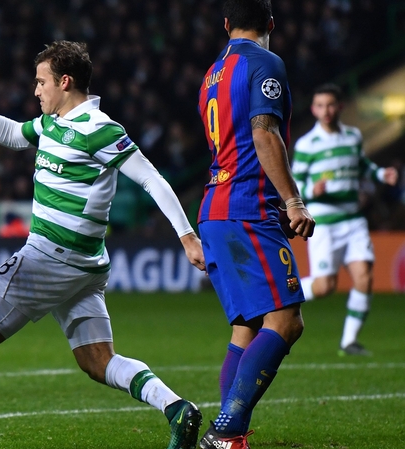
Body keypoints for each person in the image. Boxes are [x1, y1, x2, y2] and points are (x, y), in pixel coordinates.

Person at [0, 40, 207, 449]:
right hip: (85, 266)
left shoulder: (99, 129)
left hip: (50, 257)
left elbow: (151, 178)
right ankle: (177, 408)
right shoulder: (53, 123)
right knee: (98, 360)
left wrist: (187, 236)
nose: (36, 90)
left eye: (42, 82)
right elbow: (13, 134)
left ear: (65, 82)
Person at [196, 1, 316, 448]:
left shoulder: (211, 74)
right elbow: (264, 133)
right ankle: (226, 429)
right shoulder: (265, 63)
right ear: (270, 23)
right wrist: (293, 201)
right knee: (286, 320)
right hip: (246, 208)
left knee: (246, 327)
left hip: (214, 209)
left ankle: (231, 438)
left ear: (227, 24)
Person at [292, 83, 399, 356]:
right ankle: (281, 294)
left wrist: (381, 174)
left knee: (364, 277)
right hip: (324, 223)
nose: (326, 110)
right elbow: (294, 184)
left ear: (339, 107)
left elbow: (361, 165)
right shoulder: (307, 144)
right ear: (313, 109)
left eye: (330, 105)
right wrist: (311, 190)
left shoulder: (353, 137)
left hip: (353, 220)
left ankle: (349, 341)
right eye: (320, 105)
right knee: (324, 286)